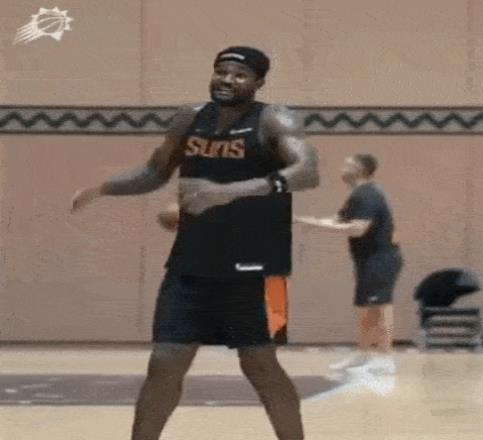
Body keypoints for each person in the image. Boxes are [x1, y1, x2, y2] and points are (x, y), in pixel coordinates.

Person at [71, 46, 319, 440]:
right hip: (192, 265)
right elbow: (155, 172)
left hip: (262, 269)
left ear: (258, 82)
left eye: (240, 75)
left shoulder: (274, 119)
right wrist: (102, 188)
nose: (228, 80)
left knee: (261, 366)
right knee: (164, 362)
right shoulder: (190, 117)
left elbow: (307, 172)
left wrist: (228, 192)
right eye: (222, 71)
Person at [295, 154, 403, 374]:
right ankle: (364, 354)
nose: (342, 168)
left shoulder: (368, 195)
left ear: (360, 170)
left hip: (380, 259)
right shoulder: (357, 195)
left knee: (379, 308)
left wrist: (319, 226)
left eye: (347, 165)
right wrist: (307, 221)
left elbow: (357, 229)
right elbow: (338, 220)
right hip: (366, 259)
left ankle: (385, 358)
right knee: (364, 308)